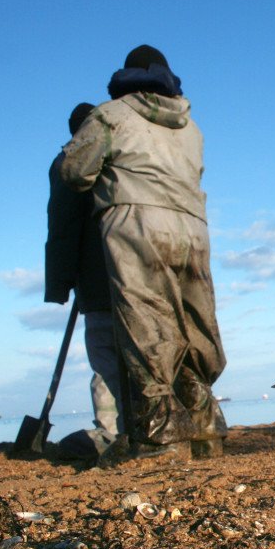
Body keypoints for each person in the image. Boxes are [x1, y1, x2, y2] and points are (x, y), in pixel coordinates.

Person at [60, 45, 227, 460]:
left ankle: (162, 442)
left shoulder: (110, 116)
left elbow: (72, 171)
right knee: (193, 329)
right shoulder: (191, 127)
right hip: (193, 229)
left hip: (137, 224)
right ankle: (206, 431)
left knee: (148, 328)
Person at [44, 102, 124, 460]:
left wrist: (60, 283)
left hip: (96, 280)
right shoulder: (125, 153)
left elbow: (62, 227)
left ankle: (112, 434)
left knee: (106, 359)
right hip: (141, 274)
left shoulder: (69, 164)